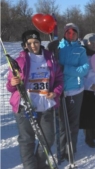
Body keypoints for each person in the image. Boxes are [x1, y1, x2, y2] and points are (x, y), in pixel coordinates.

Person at [6, 30, 63, 169]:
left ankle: (39, 163)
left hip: (45, 104)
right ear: (25, 45)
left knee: (48, 138)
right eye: (29, 43)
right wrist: (12, 83)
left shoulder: (50, 59)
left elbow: (59, 80)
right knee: (27, 140)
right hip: (25, 105)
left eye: (36, 42)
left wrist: (55, 93)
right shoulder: (19, 61)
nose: (33, 45)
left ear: (40, 42)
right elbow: (10, 86)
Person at [58, 23, 89, 160]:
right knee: (61, 124)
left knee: (73, 123)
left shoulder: (81, 50)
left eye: (74, 33)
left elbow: (84, 70)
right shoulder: (58, 48)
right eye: (68, 32)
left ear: (77, 34)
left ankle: (71, 149)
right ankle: (60, 150)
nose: (71, 35)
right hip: (59, 91)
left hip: (75, 91)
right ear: (64, 33)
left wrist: (65, 69)